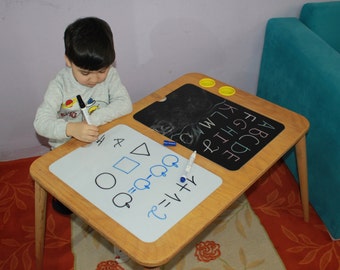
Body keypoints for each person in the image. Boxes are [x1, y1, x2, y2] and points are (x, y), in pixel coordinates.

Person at [34, 17, 133, 215]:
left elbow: (125, 104)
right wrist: (71, 128)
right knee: (68, 197)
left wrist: (91, 121)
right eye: (85, 72)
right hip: (66, 147)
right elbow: (40, 123)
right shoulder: (60, 85)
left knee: (106, 184)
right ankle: (65, 198)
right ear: (69, 61)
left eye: (101, 71)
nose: (94, 79)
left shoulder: (111, 75)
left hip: (101, 139)